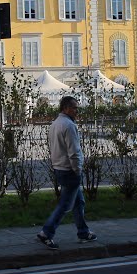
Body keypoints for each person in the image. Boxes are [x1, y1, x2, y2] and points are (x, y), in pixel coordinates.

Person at [37, 96, 96, 249]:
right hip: (70, 170)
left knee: (78, 202)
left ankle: (83, 231)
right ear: (65, 108)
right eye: (74, 108)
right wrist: (78, 170)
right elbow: (74, 151)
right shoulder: (69, 126)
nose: (77, 111)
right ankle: (46, 232)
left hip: (59, 168)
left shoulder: (55, 123)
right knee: (65, 205)